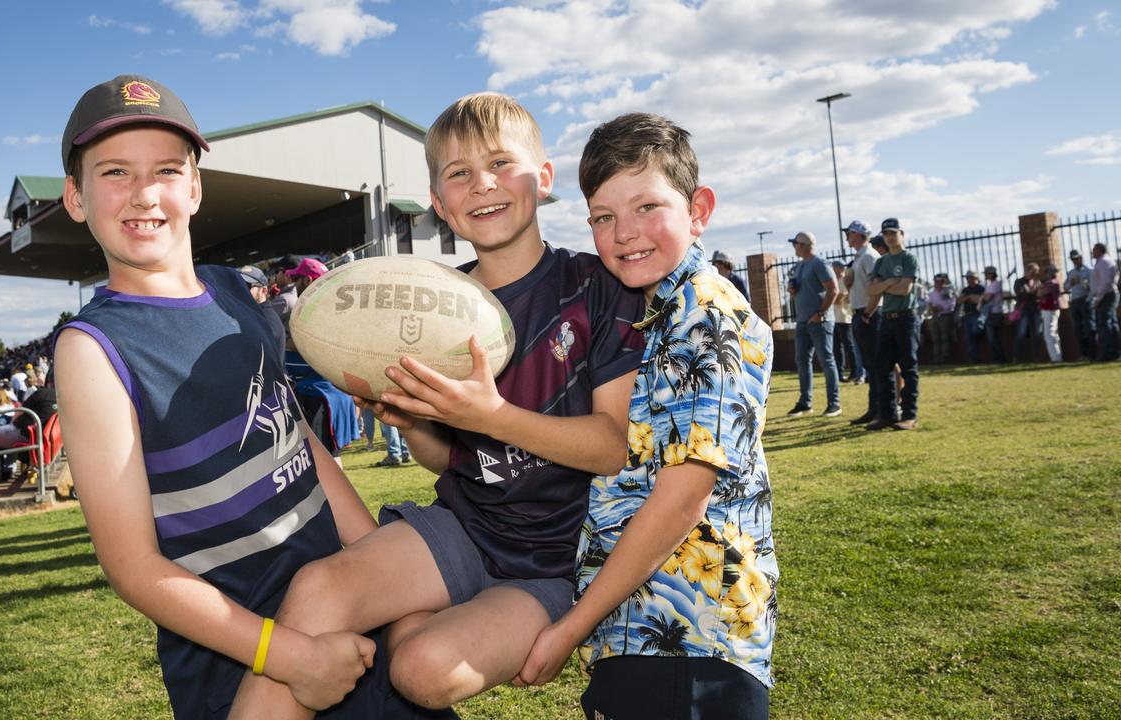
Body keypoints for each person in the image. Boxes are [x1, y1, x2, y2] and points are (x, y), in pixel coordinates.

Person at [49, 74, 441, 720]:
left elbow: (300, 443)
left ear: (196, 187)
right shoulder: (93, 349)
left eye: (167, 170)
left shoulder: (233, 290)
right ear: (75, 196)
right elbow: (134, 567)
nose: (145, 192)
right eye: (115, 172)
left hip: (346, 622)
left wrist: (382, 573)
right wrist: (288, 657)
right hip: (247, 667)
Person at [248, 92, 646, 718]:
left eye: (499, 164)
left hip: (549, 560)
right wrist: (415, 423)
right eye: (458, 174)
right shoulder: (429, 303)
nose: (481, 184)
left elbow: (613, 448)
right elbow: (448, 461)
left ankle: (409, 628)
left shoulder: (595, 287)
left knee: (422, 669)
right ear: (438, 202)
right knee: (319, 587)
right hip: (461, 527)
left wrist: (490, 415)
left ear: (543, 179)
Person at [512, 111, 775, 720]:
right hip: (647, 632)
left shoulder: (703, 317)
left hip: (686, 638)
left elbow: (683, 501)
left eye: (647, 207)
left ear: (699, 209)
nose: (625, 233)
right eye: (604, 217)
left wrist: (568, 628)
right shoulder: (657, 312)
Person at [864, 218, 920, 431]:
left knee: (908, 368)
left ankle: (909, 415)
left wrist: (882, 285)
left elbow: (904, 289)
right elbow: (870, 290)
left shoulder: (909, 259)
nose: (889, 237)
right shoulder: (881, 262)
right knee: (882, 368)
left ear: (901, 233)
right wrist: (889, 283)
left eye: (892, 233)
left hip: (906, 317)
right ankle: (886, 415)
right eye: (886, 233)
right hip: (887, 318)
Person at [785, 231, 841, 417]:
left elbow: (833, 290)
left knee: (827, 360)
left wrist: (820, 313)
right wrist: (792, 291)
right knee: (802, 362)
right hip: (802, 321)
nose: (794, 247)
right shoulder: (799, 266)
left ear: (804, 245)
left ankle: (834, 403)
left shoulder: (820, 264)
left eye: (796, 244)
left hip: (820, 321)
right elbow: (798, 292)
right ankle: (805, 403)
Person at [845, 222, 881, 425]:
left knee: (875, 364)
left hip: (869, 313)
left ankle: (878, 409)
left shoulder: (869, 256)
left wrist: (868, 312)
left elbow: (877, 287)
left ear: (857, 234)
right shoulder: (860, 256)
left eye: (849, 234)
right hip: (862, 313)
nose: (847, 238)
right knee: (869, 364)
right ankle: (873, 408)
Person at [239, 264, 289, 355]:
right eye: (237, 284)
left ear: (263, 291)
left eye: (247, 285)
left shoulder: (267, 323)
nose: (240, 289)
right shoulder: (251, 314)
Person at [831, 260, 861, 382]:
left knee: (849, 346)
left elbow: (840, 298)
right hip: (834, 318)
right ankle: (839, 373)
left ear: (839, 268)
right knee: (837, 348)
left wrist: (829, 299)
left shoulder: (844, 280)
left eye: (833, 268)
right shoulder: (835, 281)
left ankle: (854, 372)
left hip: (844, 318)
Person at [1090, 243, 1119, 361]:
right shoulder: (1106, 261)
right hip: (1108, 294)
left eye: (1094, 250)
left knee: (1104, 324)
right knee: (1111, 322)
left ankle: (1109, 352)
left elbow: (1105, 282)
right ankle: (1114, 351)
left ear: (1100, 250)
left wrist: (1098, 299)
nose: (1092, 252)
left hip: (1106, 295)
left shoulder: (1104, 262)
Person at [1065, 249, 1094, 360]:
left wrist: (1088, 291)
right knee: (1077, 329)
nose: (1075, 261)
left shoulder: (1089, 271)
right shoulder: (1071, 272)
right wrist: (1071, 283)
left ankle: (1092, 354)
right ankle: (1083, 354)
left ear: (1081, 258)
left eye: (1076, 258)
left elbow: (1093, 287)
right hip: (1074, 302)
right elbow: (1065, 287)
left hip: (1085, 301)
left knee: (1089, 328)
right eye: (1073, 259)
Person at [1011, 263, 1042, 363]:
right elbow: (1020, 295)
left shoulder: (1037, 282)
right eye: (1032, 272)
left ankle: (1037, 357)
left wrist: (1033, 294)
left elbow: (1039, 295)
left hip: (1036, 310)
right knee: (1021, 333)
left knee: (1037, 334)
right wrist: (1032, 293)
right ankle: (1016, 357)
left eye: (1036, 272)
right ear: (1027, 271)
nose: (1034, 274)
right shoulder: (1019, 282)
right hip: (1024, 310)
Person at [926, 273, 956, 363]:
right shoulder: (931, 293)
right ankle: (937, 359)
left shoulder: (948, 291)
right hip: (934, 316)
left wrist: (941, 308)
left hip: (945, 316)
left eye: (938, 281)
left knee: (944, 338)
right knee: (935, 339)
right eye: (935, 281)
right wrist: (932, 308)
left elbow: (952, 304)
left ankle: (945, 358)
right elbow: (929, 304)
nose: (936, 283)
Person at [1036, 264, 1063, 363]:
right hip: (1049, 310)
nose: (1046, 274)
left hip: (1050, 310)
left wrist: (1041, 288)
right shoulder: (1050, 283)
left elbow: (1040, 293)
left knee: (1049, 334)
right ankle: (1057, 356)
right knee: (1052, 334)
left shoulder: (1052, 283)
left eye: (1048, 272)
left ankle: (1055, 358)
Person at [957, 270, 986, 363]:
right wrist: (970, 297)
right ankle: (974, 360)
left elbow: (979, 300)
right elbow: (959, 301)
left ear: (975, 278)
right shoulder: (965, 290)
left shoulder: (981, 288)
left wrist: (968, 298)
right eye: (967, 278)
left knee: (976, 331)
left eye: (969, 277)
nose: (968, 279)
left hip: (977, 314)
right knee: (969, 338)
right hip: (967, 315)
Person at [981, 266, 1007, 363]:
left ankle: (999, 359)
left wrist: (982, 297)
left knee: (993, 338)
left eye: (987, 273)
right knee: (992, 338)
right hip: (991, 314)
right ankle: (998, 358)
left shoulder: (995, 284)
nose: (986, 275)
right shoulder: (991, 284)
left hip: (995, 314)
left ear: (991, 274)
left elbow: (987, 298)